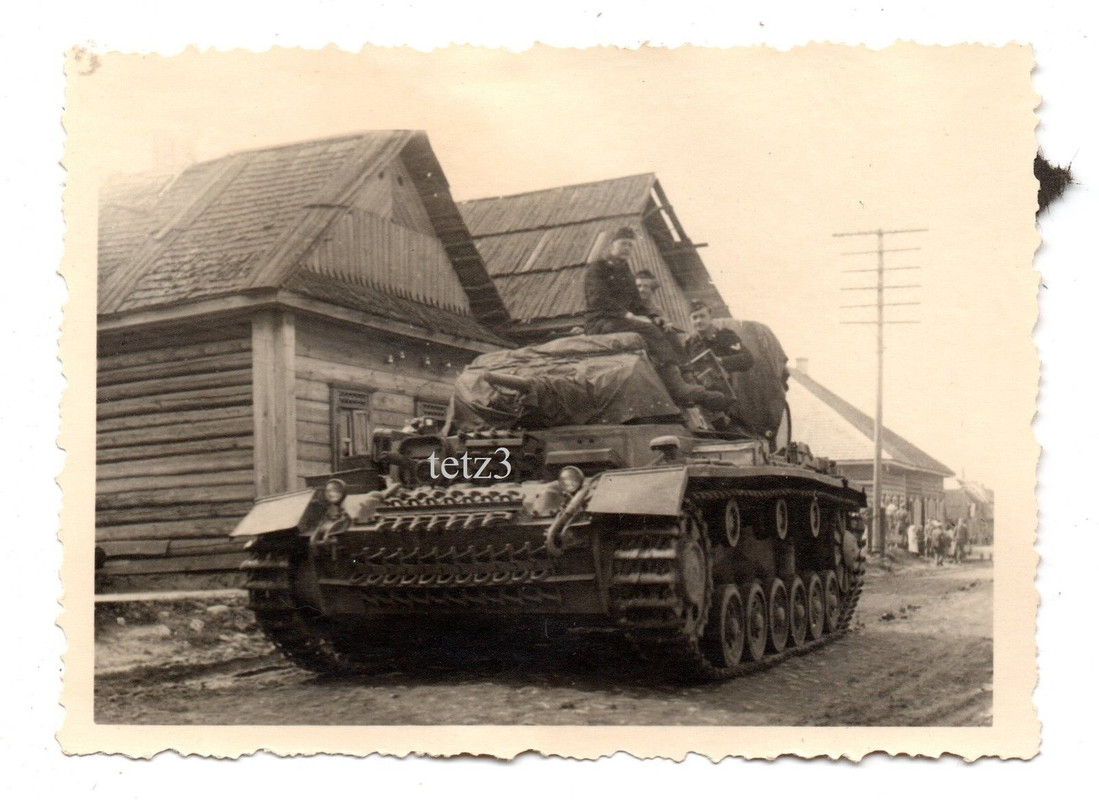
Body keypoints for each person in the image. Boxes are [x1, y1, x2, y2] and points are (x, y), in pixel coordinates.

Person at [584, 227, 727, 411]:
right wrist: (628, 315)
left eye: (630, 245)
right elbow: (598, 298)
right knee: (649, 330)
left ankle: (686, 376)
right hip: (601, 322)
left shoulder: (625, 271)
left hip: (619, 320)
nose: (626, 248)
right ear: (612, 245)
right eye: (623, 244)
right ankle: (677, 386)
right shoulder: (598, 268)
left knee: (665, 329)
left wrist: (655, 317)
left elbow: (637, 302)